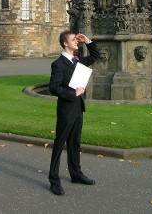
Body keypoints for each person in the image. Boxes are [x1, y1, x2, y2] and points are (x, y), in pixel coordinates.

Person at [48, 30, 100, 196]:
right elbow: (53, 88)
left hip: (78, 108)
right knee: (59, 144)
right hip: (66, 110)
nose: (76, 42)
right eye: (73, 40)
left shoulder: (78, 60)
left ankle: (76, 174)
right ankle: (54, 180)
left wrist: (88, 41)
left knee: (75, 143)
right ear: (65, 43)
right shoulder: (58, 64)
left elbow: (95, 56)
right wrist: (73, 93)